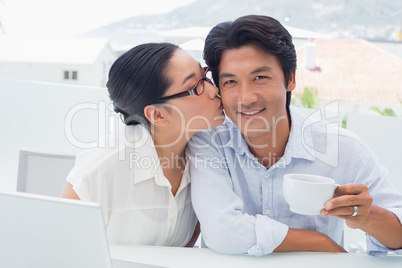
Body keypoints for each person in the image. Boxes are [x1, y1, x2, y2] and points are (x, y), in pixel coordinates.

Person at [187, 15, 402, 257]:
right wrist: (320, 242)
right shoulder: (207, 142)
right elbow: (222, 231)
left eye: (260, 77)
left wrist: (367, 216)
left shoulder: (341, 147)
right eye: (230, 82)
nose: (246, 98)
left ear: (290, 79)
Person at [61, 42, 224, 247]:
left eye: (204, 76)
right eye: (195, 87)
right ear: (158, 114)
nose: (213, 89)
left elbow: (185, 248)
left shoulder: (206, 157)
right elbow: (60, 249)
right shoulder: (102, 167)